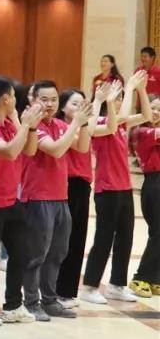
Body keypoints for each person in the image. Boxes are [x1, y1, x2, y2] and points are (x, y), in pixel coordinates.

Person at [18, 80, 95, 320]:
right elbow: (56, 149)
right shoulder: (33, 126)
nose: (50, 104)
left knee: (58, 252)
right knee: (37, 254)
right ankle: (31, 302)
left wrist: (83, 124)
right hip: (38, 197)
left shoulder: (61, 125)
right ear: (33, 100)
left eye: (53, 99)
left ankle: (50, 300)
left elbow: (82, 147)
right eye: (44, 99)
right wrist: (76, 124)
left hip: (61, 197)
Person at [0, 76, 42, 325]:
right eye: (13, 95)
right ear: (5, 99)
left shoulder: (9, 125)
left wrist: (30, 127)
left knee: (21, 252)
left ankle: (13, 305)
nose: (16, 100)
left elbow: (29, 150)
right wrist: (24, 124)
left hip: (12, 200)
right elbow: (10, 151)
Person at [81, 72, 152, 303]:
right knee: (104, 238)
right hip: (107, 190)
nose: (120, 100)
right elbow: (111, 123)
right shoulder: (102, 123)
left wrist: (140, 89)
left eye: (121, 97)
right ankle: (90, 286)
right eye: (117, 97)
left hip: (124, 189)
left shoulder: (122, 124)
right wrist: (122, 91)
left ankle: (117, 284)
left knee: (125, 238)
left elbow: (147, 115)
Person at [54, 88, 100, 307]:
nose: (79, 107)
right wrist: (94, 106)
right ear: (63, 107)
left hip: (82, 185)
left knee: (78, 239)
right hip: (66, 185)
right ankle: (55, 290)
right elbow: (81, 140)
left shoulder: (82, 127)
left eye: (82, 103)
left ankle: (67, 291)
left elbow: (104, 128)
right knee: (64, 240)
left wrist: (101, 101)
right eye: (74, 103)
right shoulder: (60, 126)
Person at [130, 98, 160, 297]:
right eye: (153, 108)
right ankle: (141, 277)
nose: (156, 112)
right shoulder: (141, 131)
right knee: (158, 233)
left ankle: (154, 278)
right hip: (155, 184)